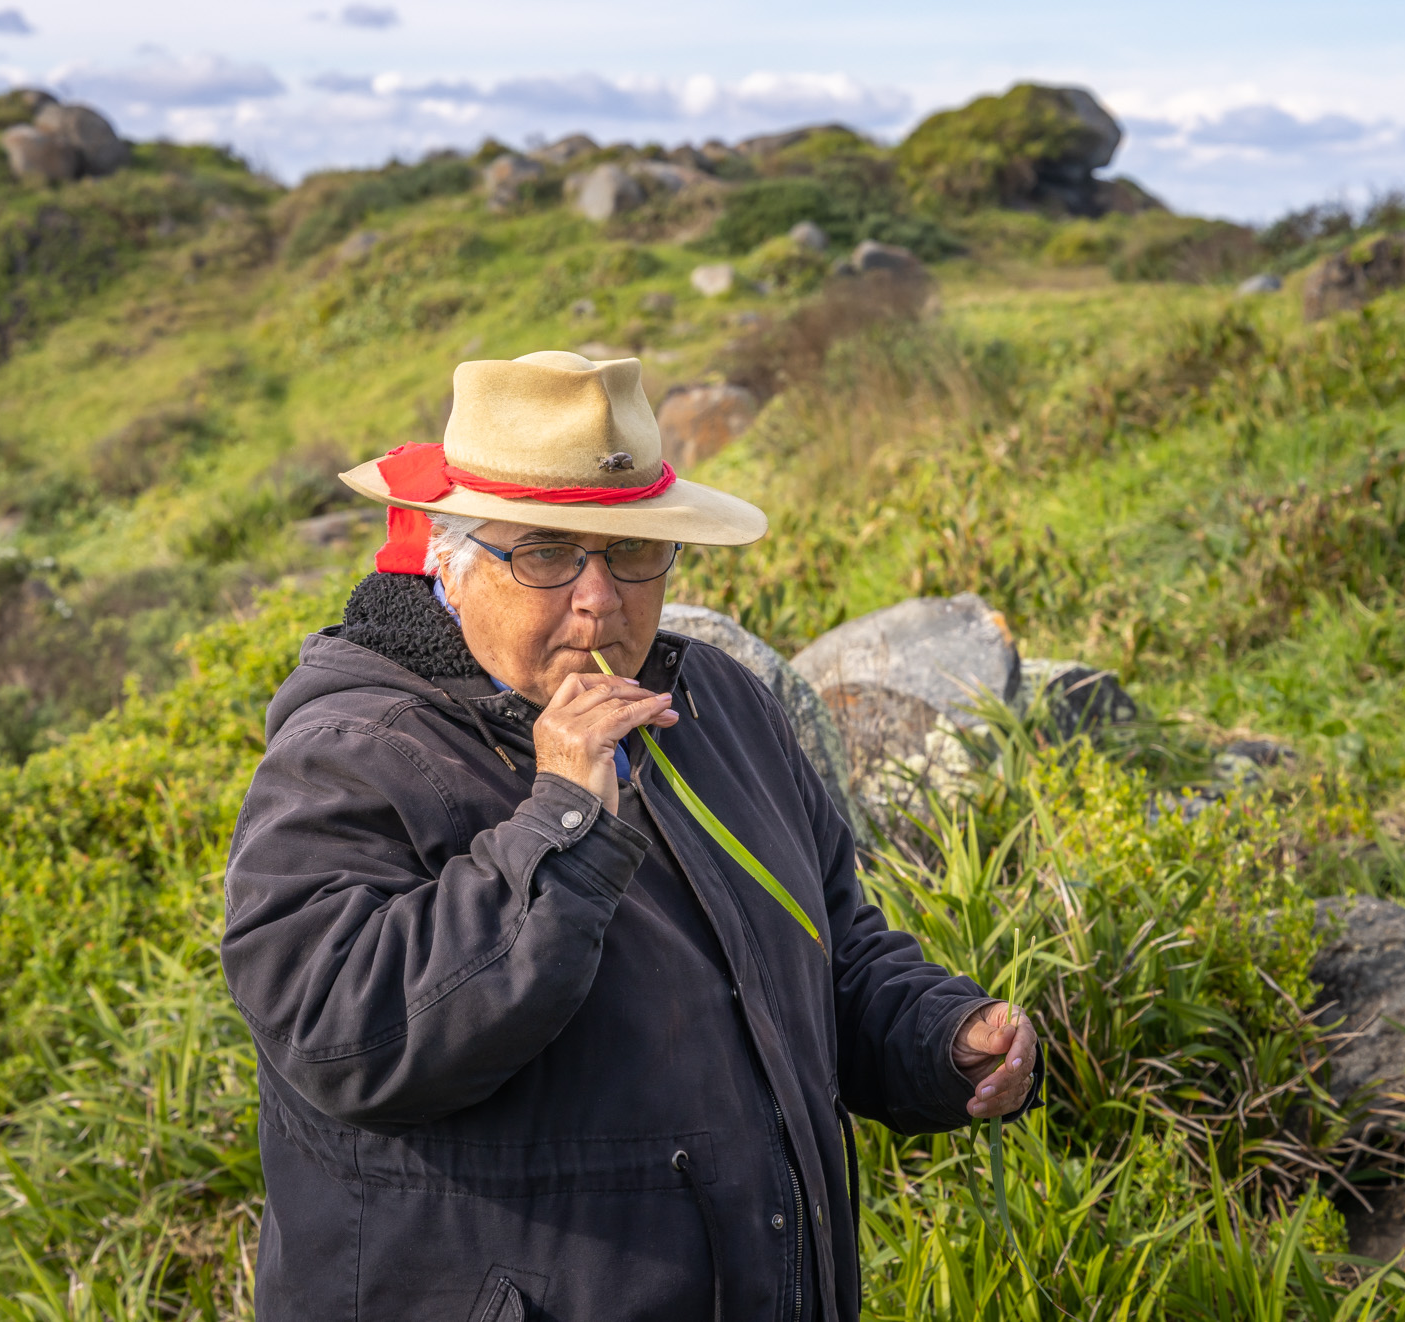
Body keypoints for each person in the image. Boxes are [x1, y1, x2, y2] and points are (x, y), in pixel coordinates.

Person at [221, 350, 1042, 1322]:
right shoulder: (349, 750)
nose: (598, 598)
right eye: (544, 552)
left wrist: (939, 1035)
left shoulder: (717, 703)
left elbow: (826, 946)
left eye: (631, 551)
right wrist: (561, 817)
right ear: (447, 553)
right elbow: (344, 1038)